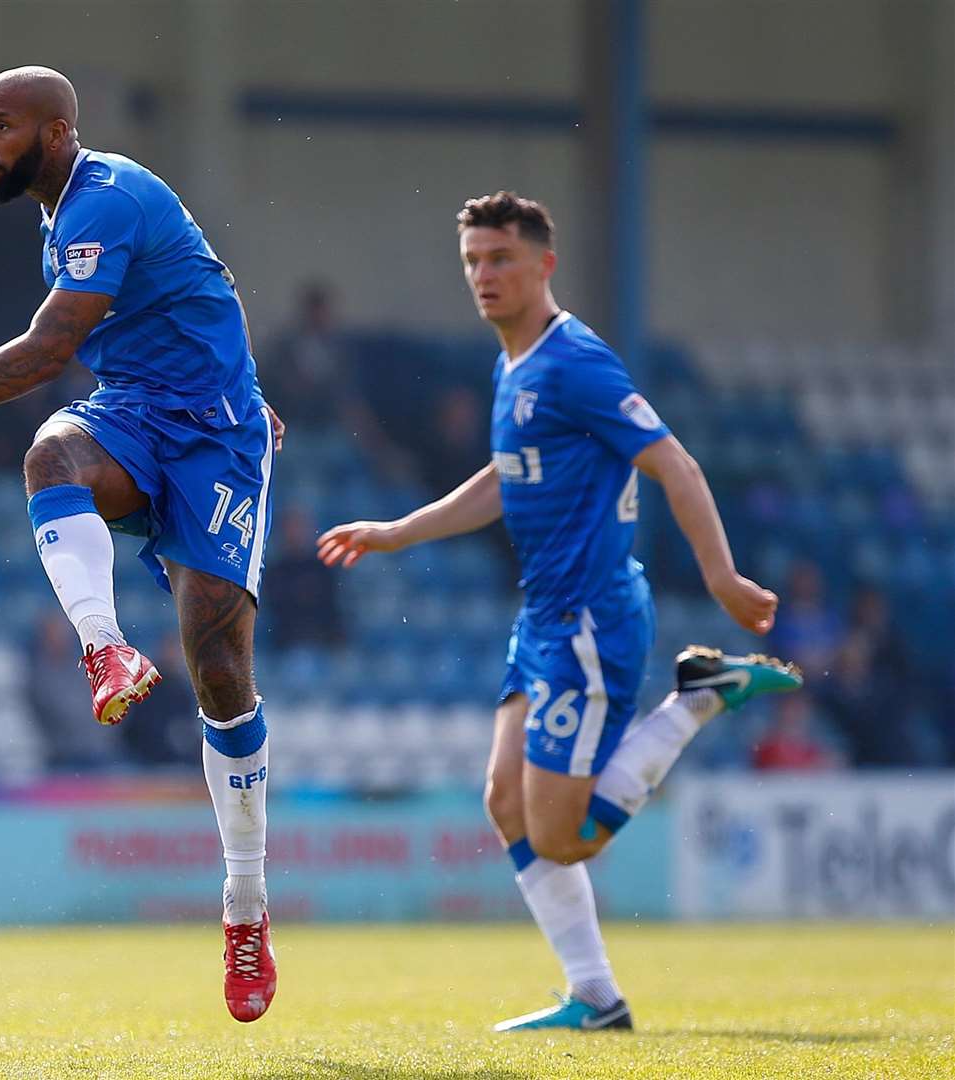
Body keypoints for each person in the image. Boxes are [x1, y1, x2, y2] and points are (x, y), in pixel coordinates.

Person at [0, 67, 280, 1022]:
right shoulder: (67, 212)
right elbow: (202, 283)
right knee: (52, 451)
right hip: (135, 413)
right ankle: (104, 645)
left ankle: (244, 905)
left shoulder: (105, 197)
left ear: (58, 132)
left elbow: (47, 351)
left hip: (215, 438)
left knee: (216, 664)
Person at [317, 192, 801, 1032]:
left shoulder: (575, 361)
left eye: (500, 258)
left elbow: (675, 464)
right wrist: (400, 531)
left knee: (565, 836)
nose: (483, 275)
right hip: (542, 617)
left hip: (589, 619)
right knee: (503, 801)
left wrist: (719, 576)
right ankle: (595, 997)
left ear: (544, 263)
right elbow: (506, 478)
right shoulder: (513, 363)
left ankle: (697, 695)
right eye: (471, 260)